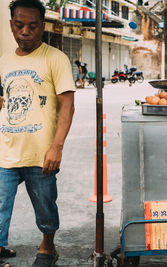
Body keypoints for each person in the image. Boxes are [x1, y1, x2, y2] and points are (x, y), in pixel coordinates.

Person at [0, 0, 75, 266]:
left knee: (45, 206)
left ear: (42, 26)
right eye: (19, 25)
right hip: (5, 151)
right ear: (11, 25)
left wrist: (57, 147)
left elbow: (67, 105)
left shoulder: (56, 58)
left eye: (32, 26)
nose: (25, 32)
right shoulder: (3, 61)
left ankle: (47, 247)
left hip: (41, 153)